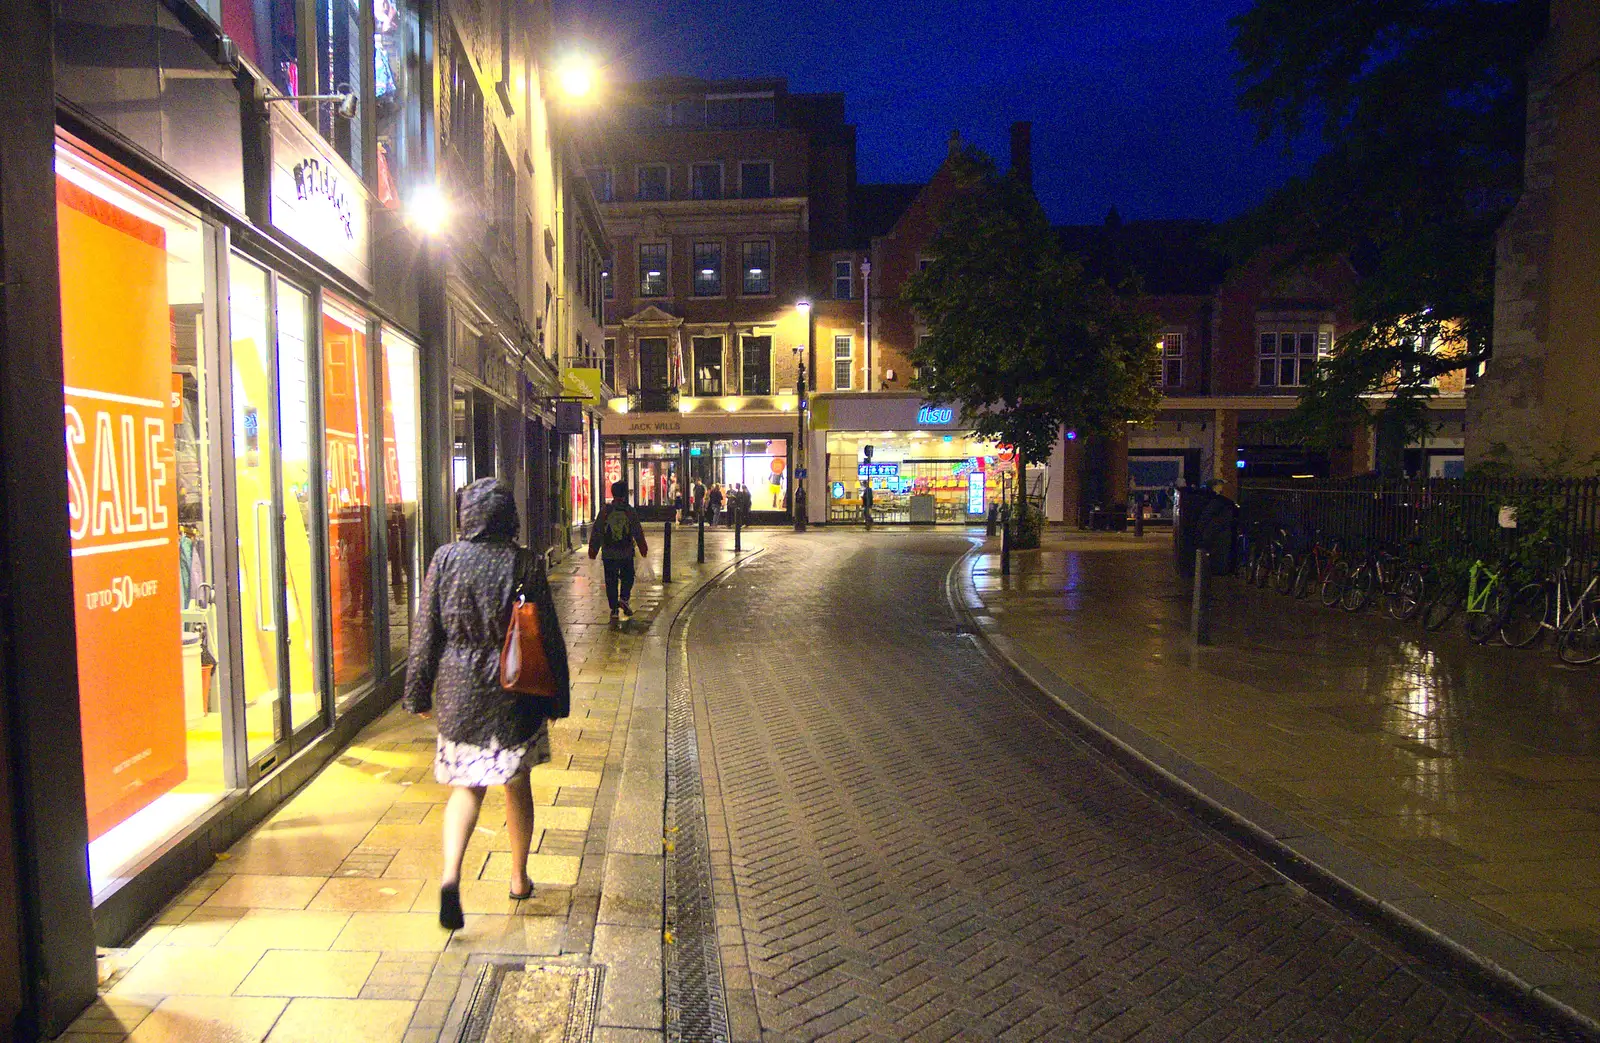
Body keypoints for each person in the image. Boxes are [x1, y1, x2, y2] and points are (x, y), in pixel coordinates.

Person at [404, 478, 570, 931]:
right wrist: (559, 696)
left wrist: (418, 691)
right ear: (508, 517)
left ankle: (451, 875)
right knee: (516, 785)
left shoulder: (445, 560)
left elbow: (425, 634)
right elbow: (548, 635)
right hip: (514, 691)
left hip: (460, 693)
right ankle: (518, 878)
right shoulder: (525, 563)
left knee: (466, 789)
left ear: (467, 516)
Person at [589, 479, 649, 622]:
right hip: (626, 552)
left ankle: (614, 609)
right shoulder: (629, 511)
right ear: (625, 494)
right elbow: (637, 531)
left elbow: (597, 530)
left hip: (609, 552)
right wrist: (643, 548)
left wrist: (593, 549)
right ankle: (624, 598)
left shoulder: (605, 511)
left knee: (611, 580)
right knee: (628, 576)